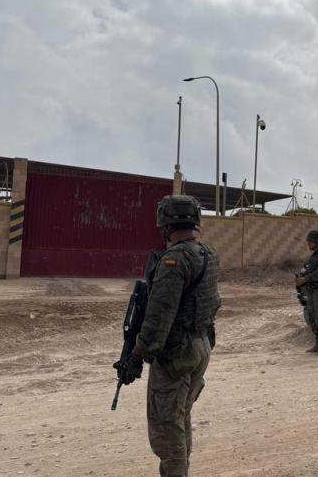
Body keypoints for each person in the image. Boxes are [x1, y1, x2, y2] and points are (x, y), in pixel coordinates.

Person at [115, 195, 221, 476]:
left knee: (167, 427)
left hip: (177, 354)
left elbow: (159, 316)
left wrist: (136, 356)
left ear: (165, 222)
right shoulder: (208, 254)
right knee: (180, 417)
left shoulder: (174, 260)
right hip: (200, 346)